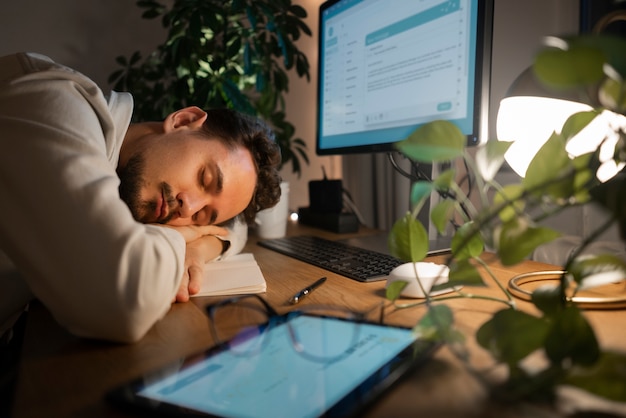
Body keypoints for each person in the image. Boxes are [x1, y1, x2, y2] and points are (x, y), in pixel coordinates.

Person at [0, 52, 282, 344]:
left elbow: (234, 228)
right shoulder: (56, 102)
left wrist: (200, 248)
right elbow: (124, 302)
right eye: (204, 178)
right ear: (184, 120)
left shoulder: (126, 175)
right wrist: (183, 236)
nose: (189, 208)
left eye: (202, 216)